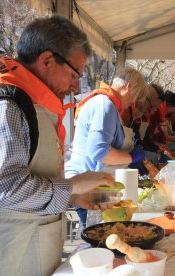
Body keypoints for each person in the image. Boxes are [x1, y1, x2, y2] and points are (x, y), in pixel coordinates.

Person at [0, 16, 115, 276]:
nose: (76, 86)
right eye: (75, 74)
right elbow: (6, 190)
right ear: (47, 60)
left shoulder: (36, 104)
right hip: (8, 255)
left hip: (34, 248)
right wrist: (73, 185)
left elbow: (33, 174)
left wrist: (72, 197)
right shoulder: (7, 105)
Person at [65, 67, 148, 227]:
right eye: (135, 97)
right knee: (97, 239)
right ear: (128, 87)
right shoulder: (105, 105)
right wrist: (131, 157)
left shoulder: (106, 104)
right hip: (88, 189)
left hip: (94, 186)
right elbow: (99, 152)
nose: (132, 103)